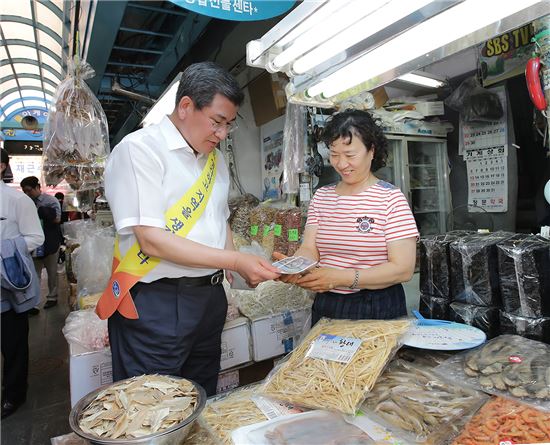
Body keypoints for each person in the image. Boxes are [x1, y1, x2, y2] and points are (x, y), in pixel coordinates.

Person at [102, 61, 280, 395]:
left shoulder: (215, 160)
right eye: (217, 122)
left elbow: (218, 220)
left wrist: (240, 270)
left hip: (209, 299)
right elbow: (151, 240)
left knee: (201, 397)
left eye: (229, 125)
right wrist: (235, 262)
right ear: (185, 106)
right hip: (158, 303)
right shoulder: (139, 150)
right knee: (151, 404)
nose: (222, 134)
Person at [275, 109, 419, 325]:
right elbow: (310, 248)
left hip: (376, 304)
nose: (341, 164)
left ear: (371, 151)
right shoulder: (322, 196)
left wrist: (342, 278)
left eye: (350, 155)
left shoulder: (390, 198)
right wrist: (296, 266)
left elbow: (403, 269)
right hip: (328, 302)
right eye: (334, 154)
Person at [1, 149, 44, 418]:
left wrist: (5, 251)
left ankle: (14, 395)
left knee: (13, 344)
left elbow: (35, 237)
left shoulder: (16, 201)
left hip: (7, 287)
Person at [20, 176, 62, 310]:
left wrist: (45, 213)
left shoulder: (51, 201)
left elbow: (58, 219)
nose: (27, 194)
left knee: (52, 272)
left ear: (38, 187)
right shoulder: (24, 203)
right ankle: (34, 303)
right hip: (33, 244)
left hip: (50, 242)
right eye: (24, 191)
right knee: (34, 274)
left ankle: (52, 297)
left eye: (29, 190)